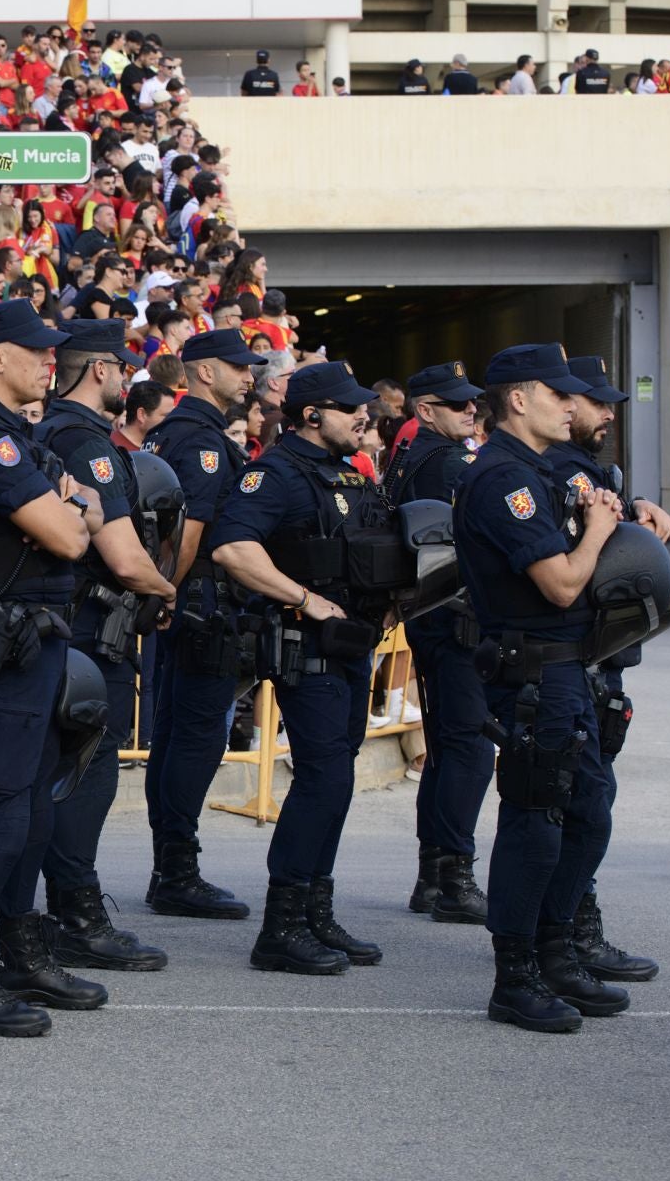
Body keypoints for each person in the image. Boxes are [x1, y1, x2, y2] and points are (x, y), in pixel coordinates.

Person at [0, 300, 105, 1037]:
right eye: (36, 351)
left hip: (39, 641)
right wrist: (71, 511)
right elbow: (71, 536)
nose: (50, 362)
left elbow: (83, 512)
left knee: (32, 807)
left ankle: (19, 949)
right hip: (9, 645)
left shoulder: (16, 436)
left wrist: (75, 510)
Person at [453, 343, 629, 1034]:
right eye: (557, 394)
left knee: (588, 809)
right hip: (533, 671)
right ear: (518, 399)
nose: (571, 404)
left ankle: (556, 950)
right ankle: (515, 973)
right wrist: (597, 530)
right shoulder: (503, 479)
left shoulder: (537, 472)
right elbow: (558, 582)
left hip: (565, 669)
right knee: (537, 822)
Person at [210, 361, 392, 976]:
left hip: (351, 644)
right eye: (349, 409)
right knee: (323, 778)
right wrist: (304, 598)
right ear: (311, 416)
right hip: (305, 646)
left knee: (336, 777)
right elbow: (234, 547)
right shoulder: (276, 473)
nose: (363, 416)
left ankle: (315, 908)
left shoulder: (348, 472)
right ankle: (282, 926)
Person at [32, 322, 174, 972]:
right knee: (88, 770)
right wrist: (167, 590)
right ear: (99, 371)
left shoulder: (48, 431)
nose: (128, 380)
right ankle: (75, 914)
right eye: (122, 367)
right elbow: (121, 553)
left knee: (58, 770)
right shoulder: (85, 442)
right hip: (91, 629)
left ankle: (49, 910)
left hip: (66, 626)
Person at [544, 356, 670, 978]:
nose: (606, 414)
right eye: (597, 403)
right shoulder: (558, 471)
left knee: (586, 800)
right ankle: (566, 934)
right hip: (570, 659)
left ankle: (568, 929)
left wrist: (635, 505)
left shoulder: (589, 471)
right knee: (581, 802)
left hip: (596, 661)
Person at [141, 329, 263, 920]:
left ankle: (171, 866)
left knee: (174, 734)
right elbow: (186, 532)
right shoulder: (202, 441)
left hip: (187, 603)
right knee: (194, 736)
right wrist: (167, 594)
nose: (249, 377)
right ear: (205, 372)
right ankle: (177, 872)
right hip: (201, 606)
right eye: (239, 368)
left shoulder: (176, 431)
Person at [385, 361, 492, 924]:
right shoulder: (449, 460)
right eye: (457, 404)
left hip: (436, 617)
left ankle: (435, 875)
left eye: (471, 401)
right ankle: (454, 876)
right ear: (425, 411)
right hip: (456, 620)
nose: (470, 410)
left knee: (450, 749)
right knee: (469, 748)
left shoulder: (414, 455)